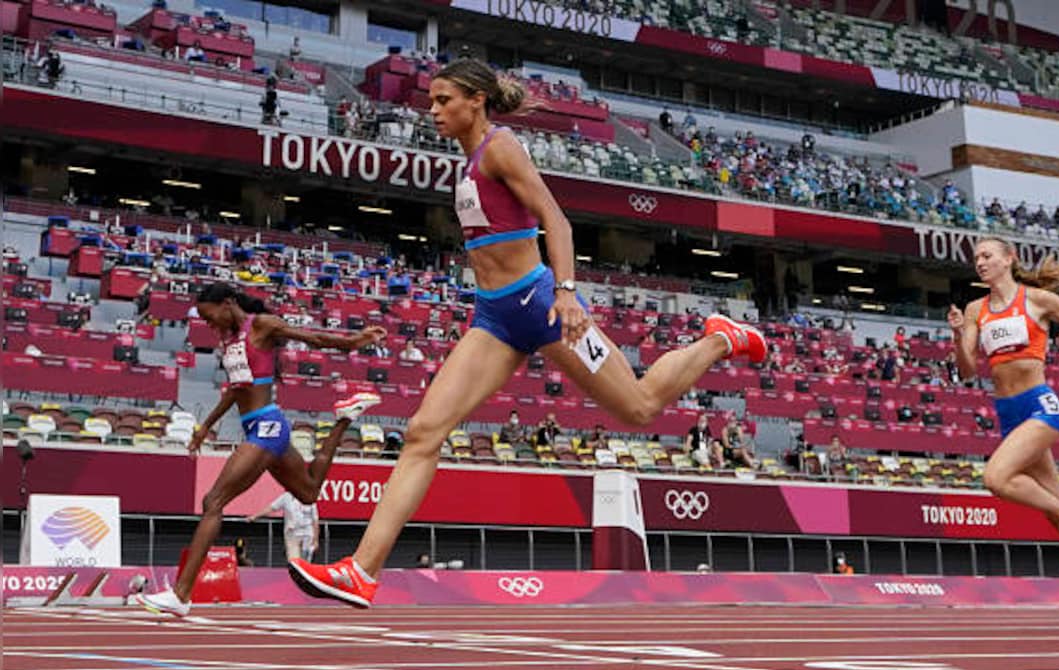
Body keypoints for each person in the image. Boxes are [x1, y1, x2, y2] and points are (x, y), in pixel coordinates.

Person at [289, 58, 765, 607]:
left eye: (444, 100)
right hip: (494, 317)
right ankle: (361, 572)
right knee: (423, 430)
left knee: (639, 406)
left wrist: (566, 292)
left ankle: (719, 338)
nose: (434, 109)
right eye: (432, 101)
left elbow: (556, 221)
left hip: (540, 305)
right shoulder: (468, 162)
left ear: (475, 101)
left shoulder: (500, 146)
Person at [135, 282, 385, 617]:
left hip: (268, 427)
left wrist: (354, 341)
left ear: (227, 304)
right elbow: (234, 392)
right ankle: (343, 419)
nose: (211, 327)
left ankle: (181, 594)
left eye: (212, 319)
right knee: (309, 492)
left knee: (214, 501)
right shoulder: (228, 341)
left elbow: (313, 338)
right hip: (263, 427)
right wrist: (205, 427)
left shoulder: (262, 325)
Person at [947, 237, 1059, 632]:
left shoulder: (1037, 300)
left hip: (1040, 406)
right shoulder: (976, 309)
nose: (980, 262)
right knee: (1053, 515)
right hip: (1008, 414)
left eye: (987, 256)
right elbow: (966, 370)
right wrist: (958, 335)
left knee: (995, 478)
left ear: (1008, 259)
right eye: (976, 257)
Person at [248, 491, 319, 563]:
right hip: (292, 533)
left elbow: (315, 520)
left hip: (307, 533)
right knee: (293, 562)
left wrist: (315, 540)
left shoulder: (309, 497)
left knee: (306, 561)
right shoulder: (286, 497)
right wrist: (255, 516)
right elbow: (271, 508)